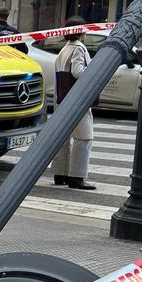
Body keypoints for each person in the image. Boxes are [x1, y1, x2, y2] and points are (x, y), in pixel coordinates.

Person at [50, 19, 96, 190]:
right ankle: (76, 177)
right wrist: (95, 72)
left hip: (61, 100)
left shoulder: (64, 49)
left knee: (63, 138)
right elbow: (78, 72)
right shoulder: (78, 48)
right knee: (84, 137)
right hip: (77, 100)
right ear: (81, 32)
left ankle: (60, 174)